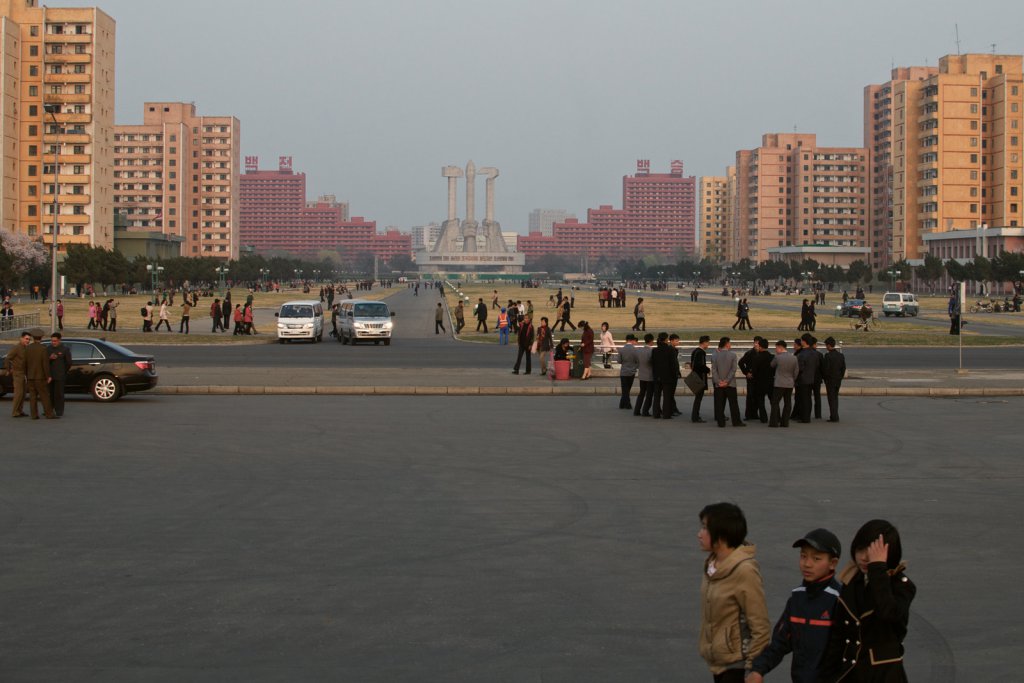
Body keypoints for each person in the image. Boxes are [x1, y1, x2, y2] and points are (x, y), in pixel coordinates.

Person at [819, 520, 915, 683]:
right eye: (860, 549)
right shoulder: (851, 582)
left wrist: (877, 568)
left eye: (872, 552)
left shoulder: (902, 586)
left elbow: (888, 613)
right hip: (850, 674)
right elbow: (838, 636)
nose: (864, 557)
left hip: (884, 675)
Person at [748, 529, 843, 683]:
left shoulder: (840, 599)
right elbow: (779, 643)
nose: (807, 564)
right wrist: (758, 670)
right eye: (803, 556)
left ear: (833, 563)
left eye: (816, 558)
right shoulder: (797, 598)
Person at [697, 502, 770, 682]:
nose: (699, 534)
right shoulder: (713, 566)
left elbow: (760, 625)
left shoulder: (744, 570)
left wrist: (753, 669)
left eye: (705, 528)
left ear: (721, 535)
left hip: (737, 665)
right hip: (719, 661)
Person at [711, 337, 744, 428]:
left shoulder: (714, 355)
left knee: (719, 404)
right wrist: (727, 381)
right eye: (729, 343)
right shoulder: (733, 355)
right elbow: (733, 370)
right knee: (733, 404)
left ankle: (721, 422)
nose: (730, 345)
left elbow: (714, 371)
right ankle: (736, 421)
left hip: (718, 384)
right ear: (726, 344)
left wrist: (719, 381)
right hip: (730, 384)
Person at [25, 331, 56, 419]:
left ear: (33, 338)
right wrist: (48, 376)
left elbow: (25, 362)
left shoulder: (28, 348)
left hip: (30, 376)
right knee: (44, 396)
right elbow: (45, 363)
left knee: (32, 397)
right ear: (41, 338)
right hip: (40, 377)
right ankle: (49, 414)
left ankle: (34, 415)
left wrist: (26, 374)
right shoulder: (43, 348)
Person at [769, 340, 798, 428]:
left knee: (775, 403)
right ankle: (785, 422)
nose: (775, 350)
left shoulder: (777, 357)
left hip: (779, 383)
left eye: (776, 348)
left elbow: (771, 366)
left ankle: (774, 422)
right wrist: (793, 379)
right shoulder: (794, 358)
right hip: (789, 383)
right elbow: (796, 371)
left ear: (780, 347)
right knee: (788, 402)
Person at [650, 332, 679, 419]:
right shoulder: (670, 350)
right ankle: (666, 414)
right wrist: (675, 375)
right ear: (666, 340)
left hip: (657, 376)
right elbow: (673, 365)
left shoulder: (655, 350)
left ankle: (656, 413)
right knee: (667, 396)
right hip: (667, 377)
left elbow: (652, 363)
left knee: (657, 396)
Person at [4, 331, 31, 417]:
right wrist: (8, 369)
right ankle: (15, 412)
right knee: (18, 393)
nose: (28, 341)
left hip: (24, 374)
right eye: (26, 339)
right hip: (17, 373)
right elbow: (8, 358)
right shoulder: (17, 348)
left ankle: (20, 410)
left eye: (29, 339)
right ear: (21, 338)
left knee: (23, 394)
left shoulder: (26, 348)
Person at [795, 334, 820, 424]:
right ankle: (807, 416)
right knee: (808, 399)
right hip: (811, 378)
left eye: (801, 340)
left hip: (803, 379)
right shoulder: (814, 353)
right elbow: (817, 365)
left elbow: (799, 368)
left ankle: (804, 417)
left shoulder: (802, 354)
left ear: (804, 342)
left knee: (803, 399)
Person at [821, 337, 846, 422]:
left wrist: (825, 378)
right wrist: (840, 377)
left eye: (826, 345)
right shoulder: (840, 355)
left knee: (831, 398)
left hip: (830, 380)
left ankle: (834, 416)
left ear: (828, 345)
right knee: (835, 397)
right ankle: (835, 415)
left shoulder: (828, 356)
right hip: (838, 379)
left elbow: (825, 369)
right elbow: (843, 368)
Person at [47, 332, 72, 417]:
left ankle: (59, 411)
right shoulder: (48, 349)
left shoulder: (64, 349)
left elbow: (68, 363)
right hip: (50, 376)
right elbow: (44, 361)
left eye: (55, 341)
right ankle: (49, 410)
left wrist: (63, 371)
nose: (53, 342)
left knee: (59, 394)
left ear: (59, 340)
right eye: (52, 341)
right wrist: (49, 358)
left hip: (60, 376)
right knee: (50, 394)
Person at [689, 335, 711, 423]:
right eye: (708, 342)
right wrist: (707, 369)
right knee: (698, 398)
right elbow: (700, 365)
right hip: (700, 378)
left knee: (697, 398)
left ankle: (695, 415)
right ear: (704, 342)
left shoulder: (695, 351)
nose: (708, 345)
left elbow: (693, 364)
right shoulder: (701, 352)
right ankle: (695, 416)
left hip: (695, 377)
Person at [633, 333, 656, 417]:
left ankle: (637, 410)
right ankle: (645, 411)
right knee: (649, 395)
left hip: (642, 375)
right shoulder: (652, 351)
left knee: (641, 393)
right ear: (651, 341)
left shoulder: (639, 350)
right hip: (650, 376)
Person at [617, 333, 639, 410]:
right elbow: (638, 361)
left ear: (626, 340)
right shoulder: (635, 350)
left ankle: (622, 404)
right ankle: (627, 404)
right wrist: (634, 367)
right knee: (628, 388)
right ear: (632, 340)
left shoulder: (621, 349)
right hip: (632, 372)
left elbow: (619, 361)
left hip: (623, 372)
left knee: (624, 389)